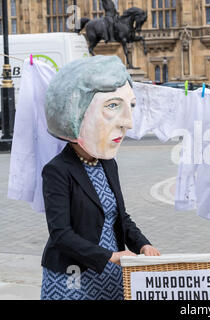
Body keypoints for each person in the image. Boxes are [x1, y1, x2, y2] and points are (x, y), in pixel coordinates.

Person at [40, 55, 160, 300]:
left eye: (130, 106)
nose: (127, 123)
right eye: (112, 106)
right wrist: (110, 256)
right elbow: (61, 234)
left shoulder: (108, 164)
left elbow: (121, 218)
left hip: (111, 272)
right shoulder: (57, 170)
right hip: (73, 275)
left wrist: (143, 245)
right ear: (74, 112)